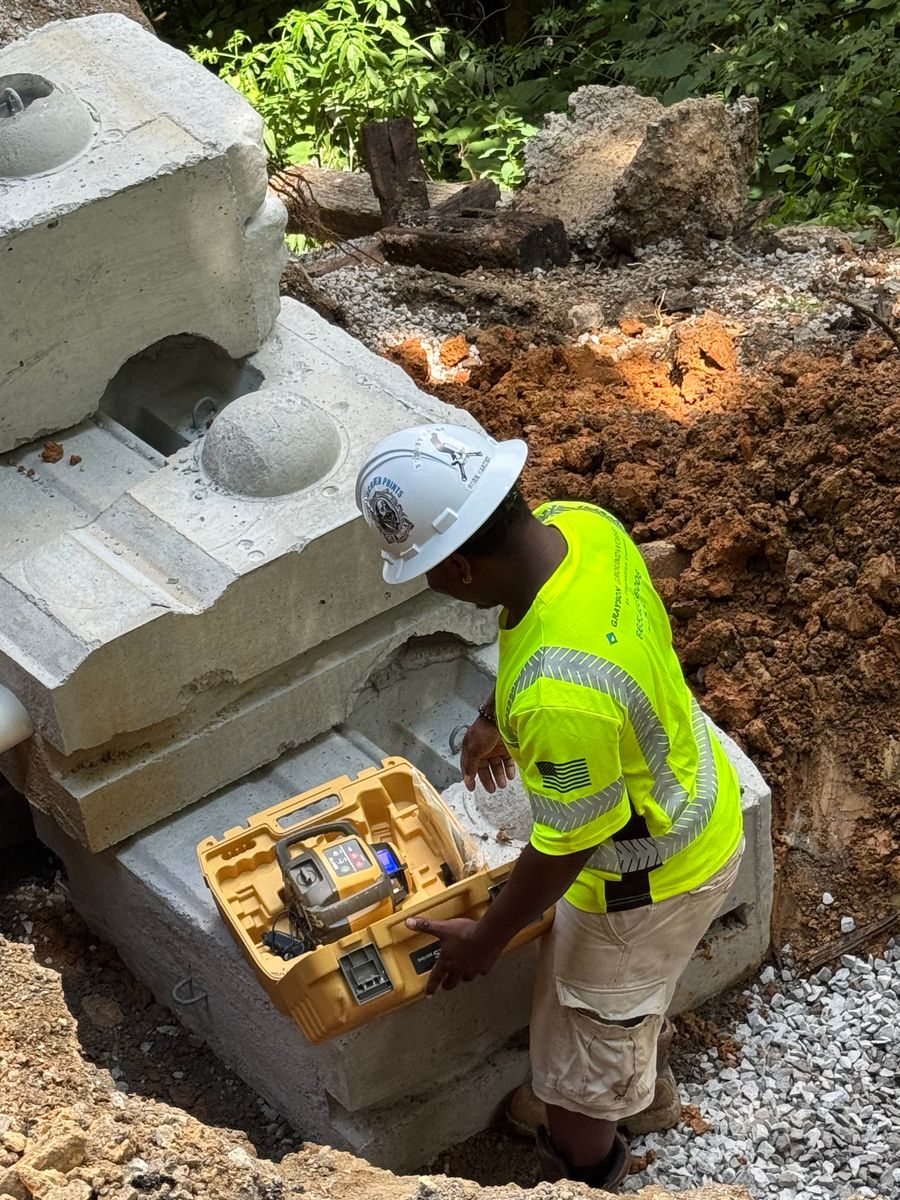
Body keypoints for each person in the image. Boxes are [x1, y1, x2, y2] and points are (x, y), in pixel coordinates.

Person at [355, 422, 744, 1190]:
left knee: (580, 1057)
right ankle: (632, 1077)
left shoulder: (562, 698)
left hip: (644, 882)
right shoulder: (579, 526)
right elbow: (547, 634)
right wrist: (496, 717)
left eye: (423, 567)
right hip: (697, 798)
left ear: (459, 567)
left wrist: (486, 940)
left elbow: (566, 845)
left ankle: (582, 1155)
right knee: (616, 1012)